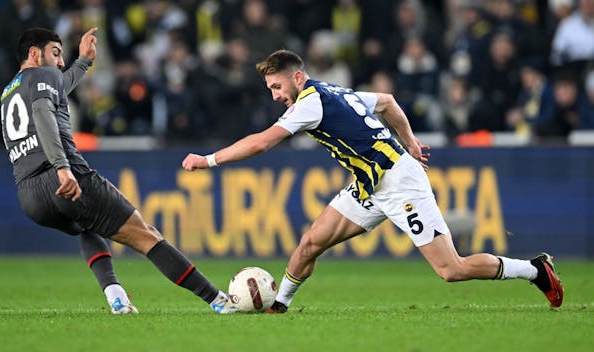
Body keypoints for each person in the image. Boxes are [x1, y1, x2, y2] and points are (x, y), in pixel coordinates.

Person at [182, 49, 564, 313]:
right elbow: (386, 102)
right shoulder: (333, 91)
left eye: (277, 87)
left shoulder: (311, 102)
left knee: (451, 269)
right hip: (369, 184)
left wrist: (210, 160)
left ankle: (534, 270)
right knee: (310, 242)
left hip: (398, 183)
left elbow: (263, 142)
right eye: (271, 90)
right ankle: (279, 305)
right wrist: (410, 141)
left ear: (297, 77)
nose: (276, 95)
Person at [0, 27, 238, 314]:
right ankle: (219, 301)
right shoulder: (44, 75)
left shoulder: (9, 92)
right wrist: (63, 168)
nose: (61, 62)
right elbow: (42, 114)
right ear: (34, 54)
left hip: (30, 196)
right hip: (63, 174)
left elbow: (55, 93)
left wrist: (83, 63)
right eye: (56, 53)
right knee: (147, 235)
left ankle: (117, 298)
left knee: (87, 225)